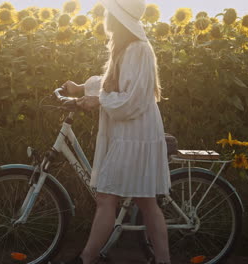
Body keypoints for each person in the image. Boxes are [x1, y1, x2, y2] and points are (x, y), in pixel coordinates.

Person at [53, 0, 172, 263]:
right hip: (130, 132)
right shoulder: (124, 46)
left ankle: (86, 258)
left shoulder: (139, 49)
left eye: (109, 12)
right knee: (145, 202)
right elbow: (113, 83)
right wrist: (82, 87)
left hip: (136, 134)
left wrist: (99, 101)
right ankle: (163, 261)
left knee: (108, 196)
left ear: (118, 18)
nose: (105, 15)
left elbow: (133, 98)